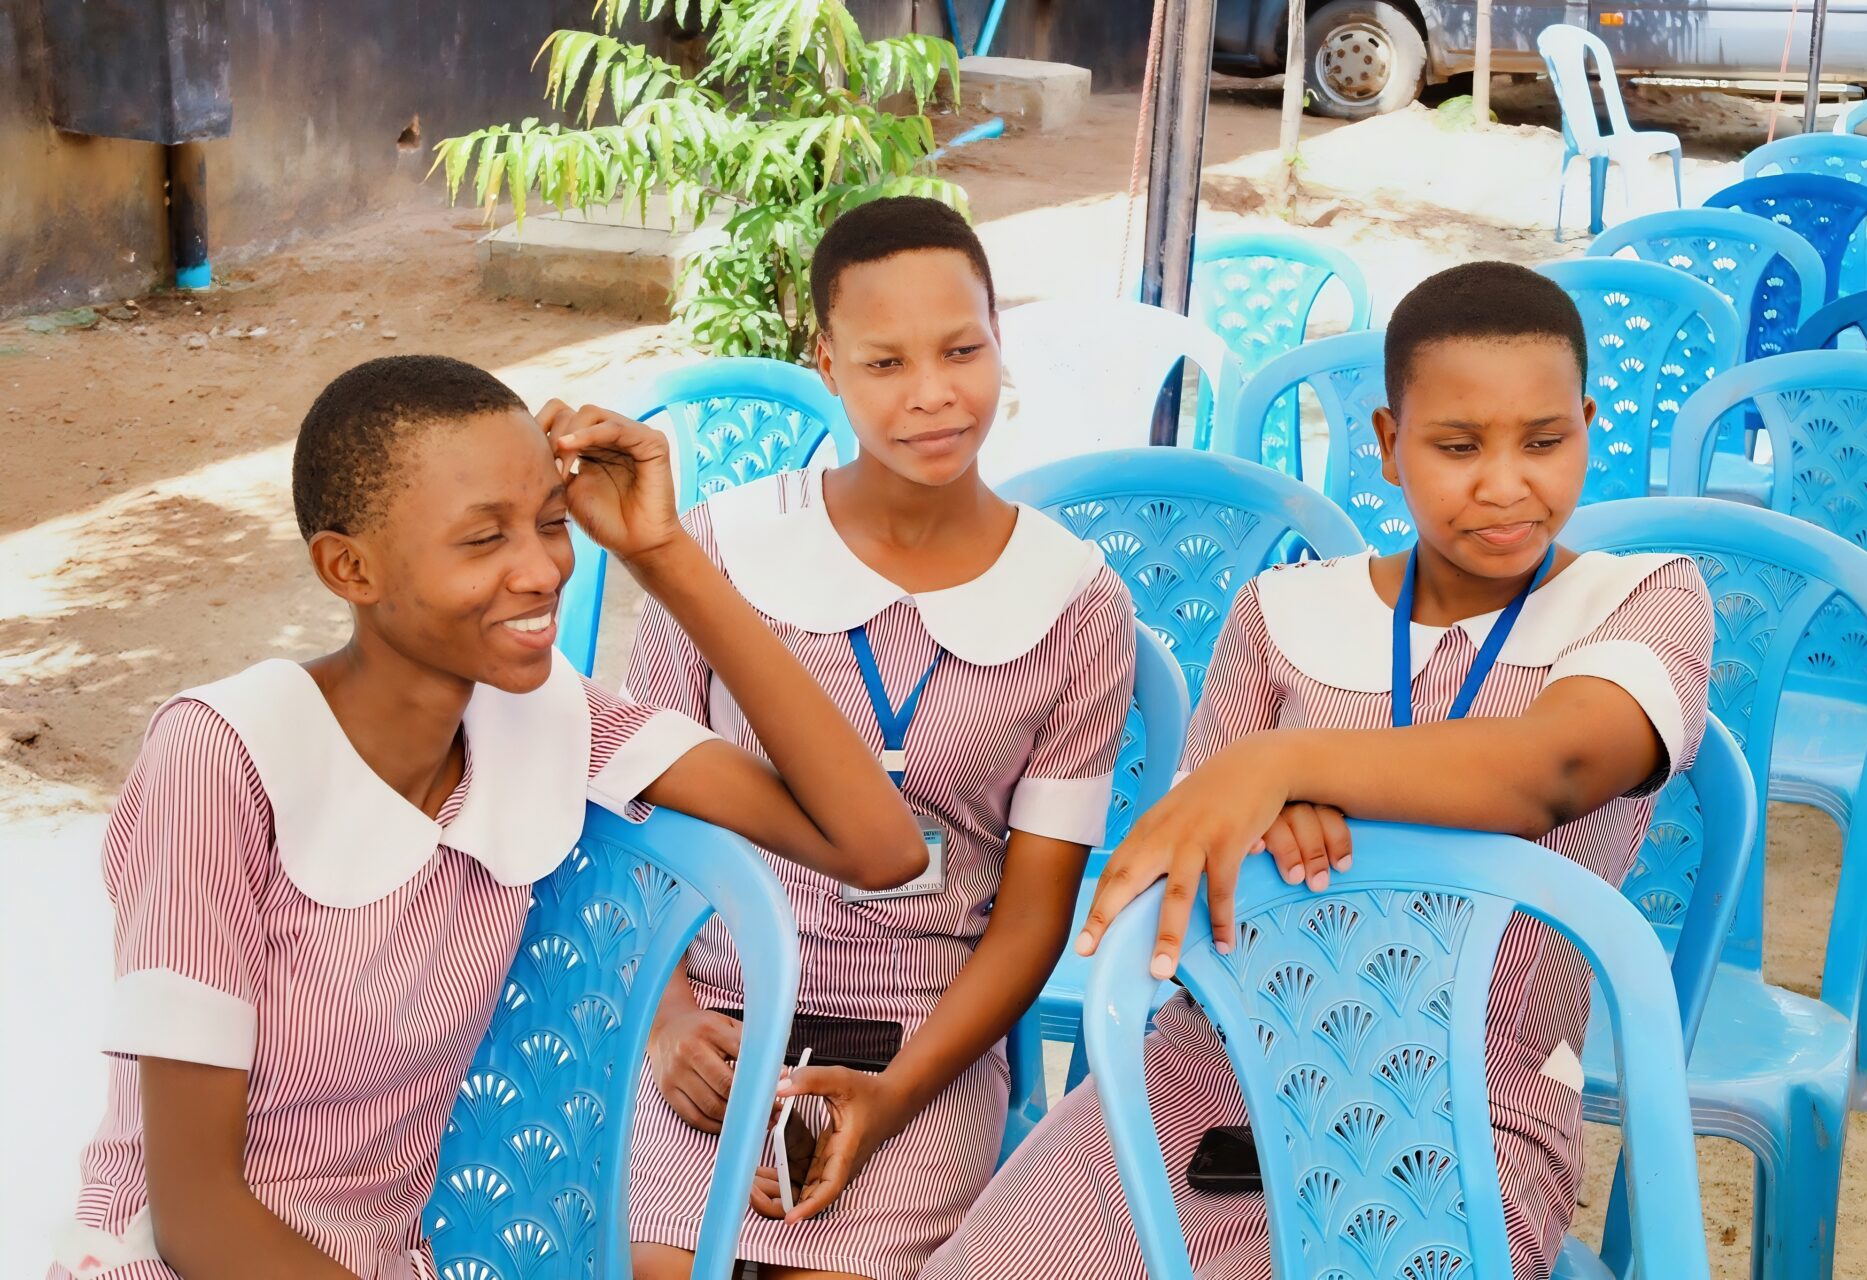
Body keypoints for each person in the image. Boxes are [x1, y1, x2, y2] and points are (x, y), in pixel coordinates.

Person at [49, 355, 924, 1280]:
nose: (543, 569)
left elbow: (876, 846)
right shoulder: (224, 761)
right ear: (349, 567)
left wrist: (661, 553)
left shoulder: (545, 716)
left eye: (551, 523)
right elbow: (193, 1213)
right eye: (482, 541)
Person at [923, 260, 1715, 1280]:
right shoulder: (1285, 612)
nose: (1506, 482)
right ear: (1388, 445)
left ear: (1590, 425)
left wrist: (1289, 764)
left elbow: (1555, 766)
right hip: (1214, 1080)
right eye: (1458, 445)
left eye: (1545, 440)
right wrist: (1255, 828)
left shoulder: (1643, 596)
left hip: (1469, 1109)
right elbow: (1194, 876)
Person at [622, 196, 1137, 1280]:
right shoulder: (719, 550)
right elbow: (637, 819)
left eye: (963, 349)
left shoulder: (1077, 605)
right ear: (827, 361)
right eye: (886, 361)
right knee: (658, 1265)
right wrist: (665, 1017)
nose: (934, 394)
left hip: (924, 1032)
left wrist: (897, 1092)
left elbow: (1035, 910)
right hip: (714, 1007)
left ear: (1003, 339)